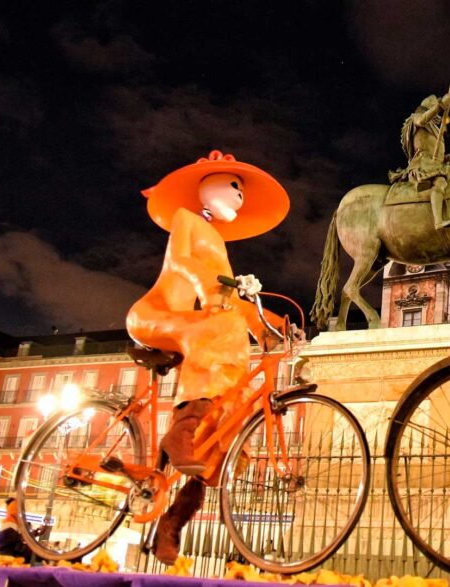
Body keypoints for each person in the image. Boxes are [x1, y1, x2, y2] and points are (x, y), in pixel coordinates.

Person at [127, 150, 290, 564]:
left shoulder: (218, 242)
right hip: (156, 316)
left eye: (241, 190)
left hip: (193, 322)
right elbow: (182, 262)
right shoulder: (186, 220)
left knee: (225, 418)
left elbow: (230, 300)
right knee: (215, 329)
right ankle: (180, 431)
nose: (239, 196)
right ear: (208, 188)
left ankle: (172, 523)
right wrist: (209, 285)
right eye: (233, 186)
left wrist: (271, 322)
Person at [389, 88, 450, 229]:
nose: (437, 116)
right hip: (422, 164)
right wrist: (441, 105)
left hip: (435, 164)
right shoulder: (417, 117)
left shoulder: (435, 129)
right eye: (434, 109)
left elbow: (435, 152)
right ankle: (438, 222)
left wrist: (445, 159)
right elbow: (422, 120)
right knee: (440, 183)